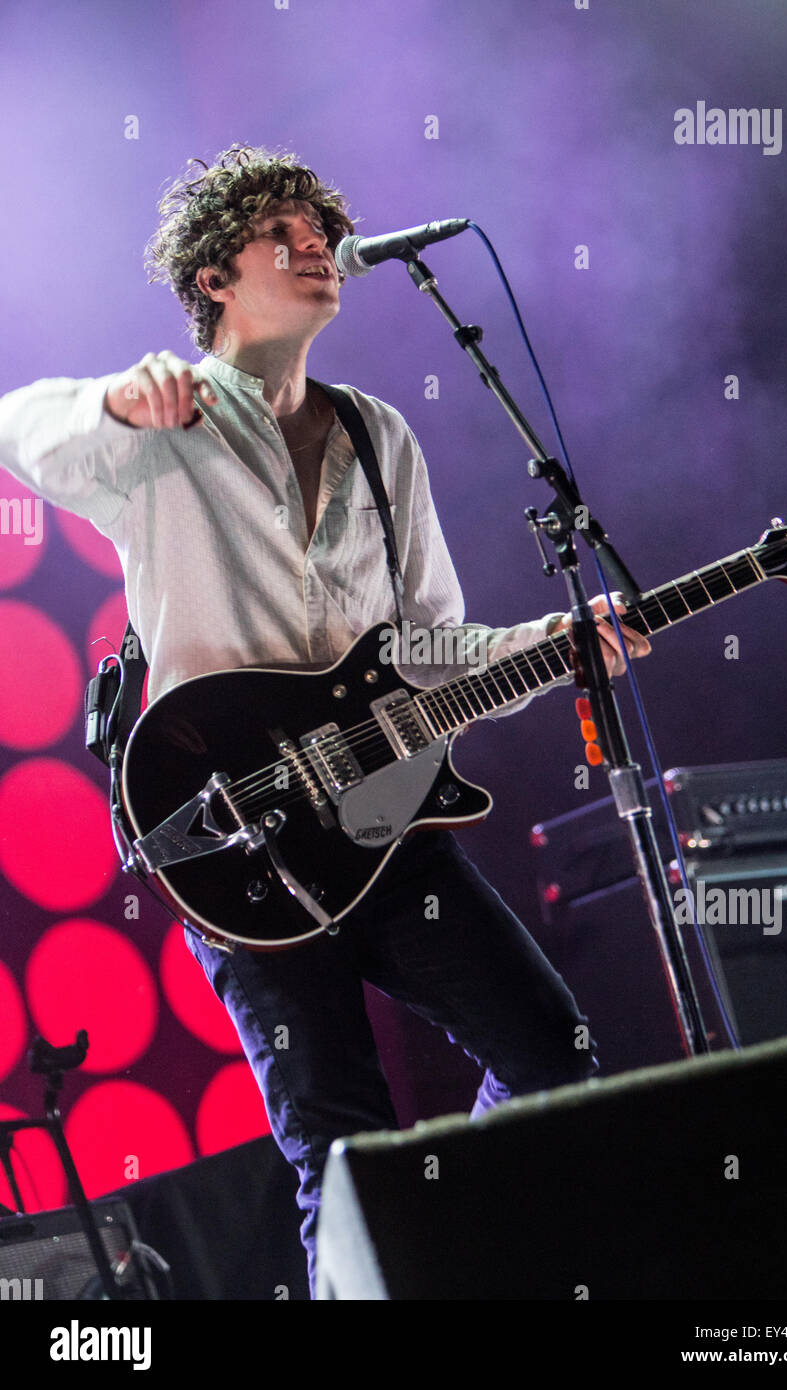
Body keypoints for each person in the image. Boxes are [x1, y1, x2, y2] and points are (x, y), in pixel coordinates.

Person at [0, 145, 650, 1297]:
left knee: (559, 1059)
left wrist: (559, 646)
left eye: (321, 232)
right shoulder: (165, 421)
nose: (315, 250)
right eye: (281, 235)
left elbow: (429, 645)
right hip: (241, 847)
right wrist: (107, 397)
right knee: (335, 1141)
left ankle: (433, 1216)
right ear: (212, 277)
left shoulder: (378, 435)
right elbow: (15, 428)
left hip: (388, 826)